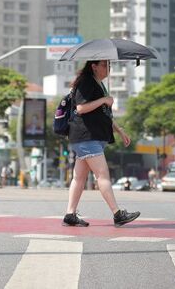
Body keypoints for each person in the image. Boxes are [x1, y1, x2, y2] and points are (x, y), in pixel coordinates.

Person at [62, 60, 140, 228]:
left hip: (90, 136)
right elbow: (81, 108)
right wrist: (104, 99)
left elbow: (103, 114)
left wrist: (119, 130)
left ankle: (70, 214)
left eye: (109, 65)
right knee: (102, 174)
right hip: (86, 136)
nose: (108, 68)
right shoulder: (87, 82)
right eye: (105, 65)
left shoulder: (99, 84)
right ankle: (117, 214)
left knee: (79, 177)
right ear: (94, 66)